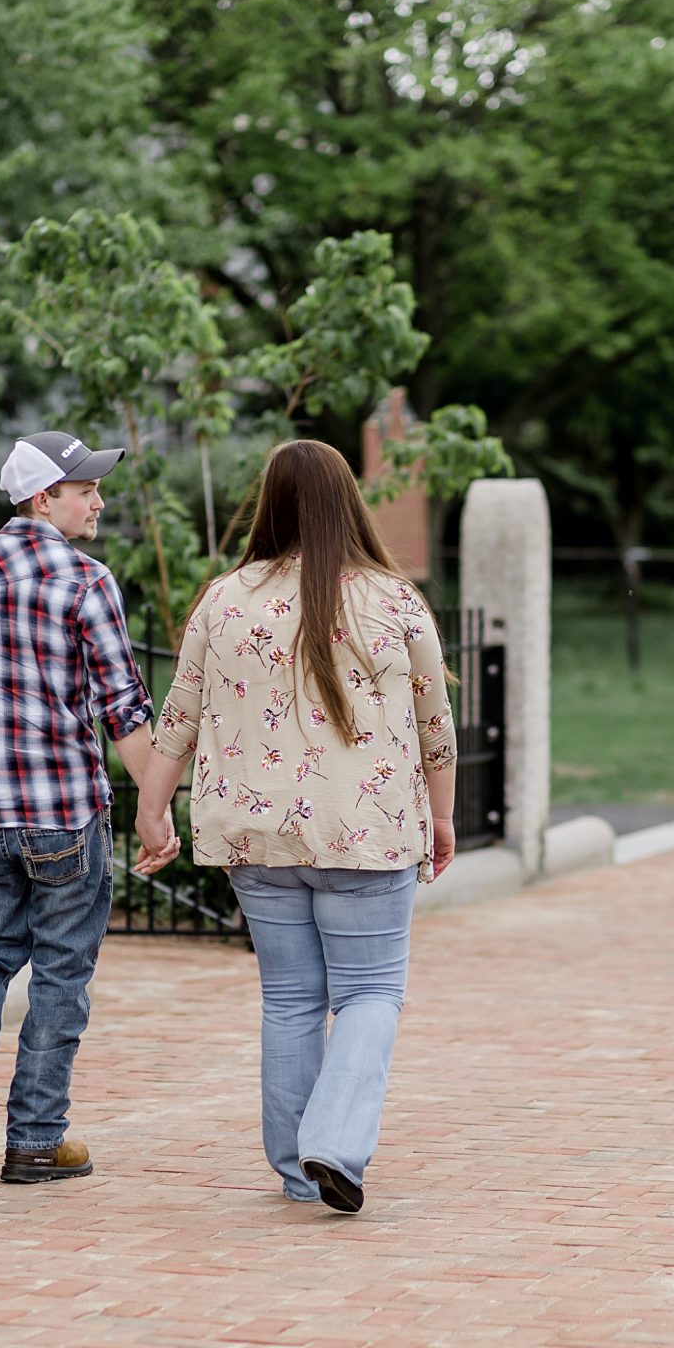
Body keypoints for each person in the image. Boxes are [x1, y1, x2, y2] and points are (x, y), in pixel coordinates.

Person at [135, 439, 457, 1214]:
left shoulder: (223, 598)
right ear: (348, 502)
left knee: (288, 1002)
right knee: (371, 994)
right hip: (365, 833)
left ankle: (294, 1172)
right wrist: (441, 818)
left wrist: (151, 810)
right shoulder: (391, 599)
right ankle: (334, 1145)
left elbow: (175, 717)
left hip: (256, 835)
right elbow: (435, 723)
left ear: (269, 503)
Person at [0, 429, 178, 1186]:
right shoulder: (85, 580)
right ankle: (34, 1140)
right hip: (63, 813)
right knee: (60, 973)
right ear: (42, 497)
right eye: (83, 488)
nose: (97, 500)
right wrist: (152, 809)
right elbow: (123, 710)